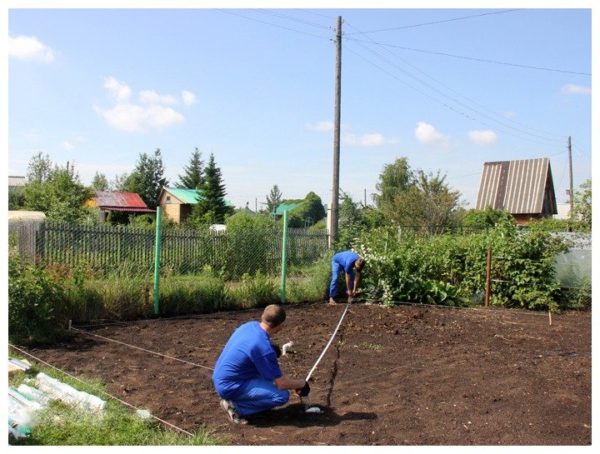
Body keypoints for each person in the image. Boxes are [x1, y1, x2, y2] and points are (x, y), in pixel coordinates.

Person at [212, 304, 310, 424]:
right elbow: (281, 383)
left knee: (268, 378)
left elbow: (247, 345)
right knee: (281, 396)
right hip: (231, 385)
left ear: (263, 316)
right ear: (280, 326)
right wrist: (301, 384)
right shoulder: (263, 349)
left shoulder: (249, 326)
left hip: (221, 376)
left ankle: (240, 400)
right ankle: (236, 407)